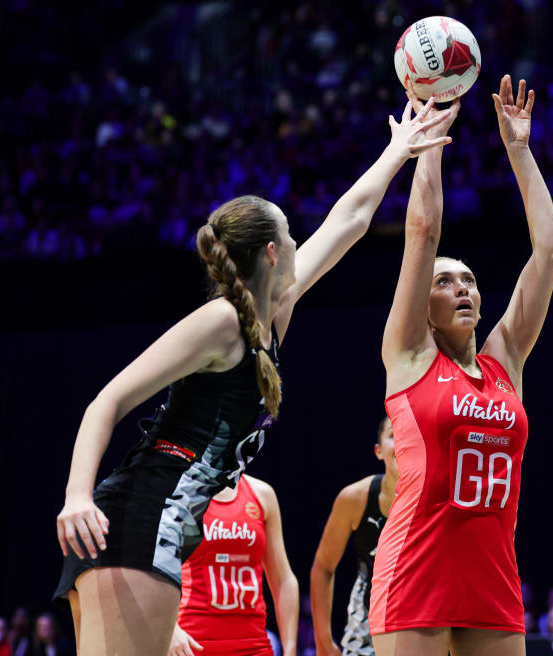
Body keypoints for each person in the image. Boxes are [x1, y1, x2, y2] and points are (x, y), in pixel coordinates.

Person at [53, 99, 453, 655]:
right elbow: (107, 400)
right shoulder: (222, 323)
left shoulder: (270, 316)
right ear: (271, 252)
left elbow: (350, 221)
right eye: (290, 234)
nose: (298, 242)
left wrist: (398, 149)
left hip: (159, 530)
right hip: (135, 520)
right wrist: (76, 495)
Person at [371, 74, 553, 656]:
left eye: (470, 280)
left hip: (493, 576)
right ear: (422, 305)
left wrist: (519, 150)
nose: (463, 289)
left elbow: (549, 249)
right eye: (445, 281)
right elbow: (423, 231)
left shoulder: (505, 360)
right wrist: (429, 145)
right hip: (416, 570)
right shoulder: (407, 354)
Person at [166, 474, 298, 656]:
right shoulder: (178, 492)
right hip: (192, 642)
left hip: (254, 644)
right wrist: (170, 629)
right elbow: (153, 569)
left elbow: (284, 579)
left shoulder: (262, 494)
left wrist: (290, 648)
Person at [311, 417, 398, 656]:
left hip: (425, 636)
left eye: (410, 433)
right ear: (378, 451)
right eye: (393, 435)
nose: (402, 441)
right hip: (364, 639)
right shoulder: (355, 498)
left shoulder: (441, 502)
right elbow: (323, 566)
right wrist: (323, 641)